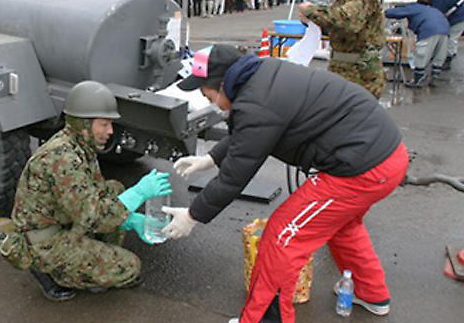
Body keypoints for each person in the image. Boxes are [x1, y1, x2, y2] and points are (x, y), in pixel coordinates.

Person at [162, 44, 408, 323]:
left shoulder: (256, 102)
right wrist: (209, 159)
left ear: (222, 84)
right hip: (384, 155)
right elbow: (251, 133)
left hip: (361, 169)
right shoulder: (261, 77)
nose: (212, 104)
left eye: (208, 96)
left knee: (282, 238)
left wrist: (193, 215)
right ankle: (370, 293)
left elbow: (235, 176)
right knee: (341, 224)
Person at [11, 80, 172, 301]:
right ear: (83, 124)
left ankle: (91, 260)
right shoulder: (63, 158)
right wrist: (138, 194)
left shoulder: (79, 146)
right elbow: (93, 216)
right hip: (45, 241)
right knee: (129, 267)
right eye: (104, 124)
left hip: (65, 222)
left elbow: (96, 196)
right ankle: (51, 271)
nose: (110, 131)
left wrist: (131, 218)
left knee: (114, 189)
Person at [300, 0, 387, 98]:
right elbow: (338, 29)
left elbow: (347, 22)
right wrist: (313, 21)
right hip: (345, 70)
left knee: (354, 117)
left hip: (360, 74)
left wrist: (311, 10)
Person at [385, 0, 450, 88]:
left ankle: (418, 80)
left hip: (429, 29)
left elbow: (394, 13)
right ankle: (434, 78)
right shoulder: (432, 9)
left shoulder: (414, 8)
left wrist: (383, 11)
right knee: (439, 55)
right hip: (445, 29)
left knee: (421, 55)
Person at [420, 0, 464, 70]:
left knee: (452, 36)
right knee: (448, 36)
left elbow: (437, 18)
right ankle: (446, 55)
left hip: (462, 14)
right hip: (459, 11)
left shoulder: (438, 1)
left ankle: (448, 59)